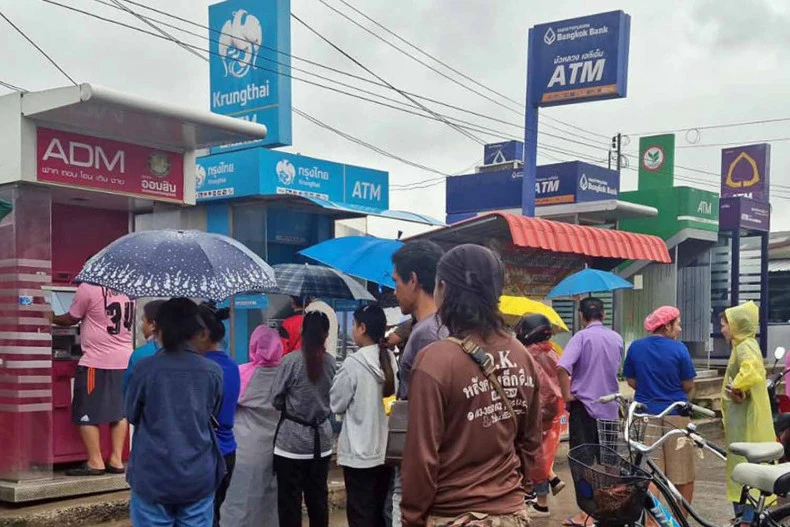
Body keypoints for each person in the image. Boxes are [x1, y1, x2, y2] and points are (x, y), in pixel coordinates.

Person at [401, 244, 544, 527]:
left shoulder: (434, 361)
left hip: (453, 514)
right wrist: (512, 490)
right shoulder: (521, 355)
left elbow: (421, 459)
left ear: (443, 288)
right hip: (512, 514)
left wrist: (412, 519)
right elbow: (531, 442)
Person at [125, 297, 225, 526]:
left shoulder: (144, 369)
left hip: (152, 476)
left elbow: (131, 414)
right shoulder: (213, 372)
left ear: (158, 329)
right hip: (197, 475)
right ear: (195, 330)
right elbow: (213, 413)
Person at [49, 283, 134, 476]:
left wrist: (51, 316)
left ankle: (95, 462)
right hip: (124, 360)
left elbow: (70, 319)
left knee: (85, 410)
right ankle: (116, 459)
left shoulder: (88, 288)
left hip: (96, 362)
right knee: (119, 412)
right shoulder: (128, 290)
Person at [390, 240, 446, 527]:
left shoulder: (427, 334)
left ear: (413, 280)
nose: (394, 290)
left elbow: (430, 414)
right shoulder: (436, 327)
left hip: (420, 465)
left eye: (397, 281)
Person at [557, 297, 623, 527]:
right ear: (604, 315)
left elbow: (563, 367)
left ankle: (586, 514)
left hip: (584, 408)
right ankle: (612, 507)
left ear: (581, 316)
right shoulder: (616, 338)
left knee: (583, 463)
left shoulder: (581, 337)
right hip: (610, 408)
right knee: (610, 462)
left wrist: (566, 395)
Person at [331, 305, 399, 527]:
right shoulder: (389, 358)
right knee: (380, 513)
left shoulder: (354, 363)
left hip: (359, 457)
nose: (352, 329)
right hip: (384, 453)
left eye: (354, 324)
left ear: (362, 328)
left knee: (360, 515)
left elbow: (336, 403)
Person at [623, 306, 697, 505]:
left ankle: (652, 521)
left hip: (646, 417)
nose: (679, 329)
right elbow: (688, 384)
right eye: (678, 324)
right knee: (683, 472)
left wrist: (649, 387)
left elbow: (631, 380)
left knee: (650, 473)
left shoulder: (636, 347)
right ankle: (681, 520)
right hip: (676, 417)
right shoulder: (680, 349)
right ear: (666, 326)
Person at [271, 311, 337, 527]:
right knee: (318, 501)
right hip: (321, 444)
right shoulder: (331, 363)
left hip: (291, 444)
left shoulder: (290, 361)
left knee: (289, 504)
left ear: (301, 331)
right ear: (326, 334)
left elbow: (276, 398)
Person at [220, 326, 283, 527]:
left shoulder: (242, 373)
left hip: (244, 448)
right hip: (275, 447)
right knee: (269, 498)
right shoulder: (284, 374)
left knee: (240, 498)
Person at [720, 302, 774, 513]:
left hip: (746, 424)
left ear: (736, 325)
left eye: (725, 324)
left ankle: (746, 517)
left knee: (745, 472)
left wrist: (737, 386)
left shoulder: (744, 346)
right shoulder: (743, 345)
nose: (722, 329)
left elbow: (752, 371)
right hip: (742, 420)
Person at [515, 314, 566, 518]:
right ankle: (547, 487)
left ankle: (538, 500)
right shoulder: (553, 351)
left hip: (533, 411)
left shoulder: (527, 354)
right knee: (542, 454)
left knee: (531, 456)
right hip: (552, 411)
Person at [197, 303, 240, 527]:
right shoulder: (232, 365)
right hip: (228, 451)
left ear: (203, 335)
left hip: (207, 453)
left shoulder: (203, 368)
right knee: (213, 515)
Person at [123, 299, 164, 396]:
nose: (142, 325)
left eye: (143, 320)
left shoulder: (141, 355)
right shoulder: (191, 356)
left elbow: (128, 392)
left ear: (153, 325)